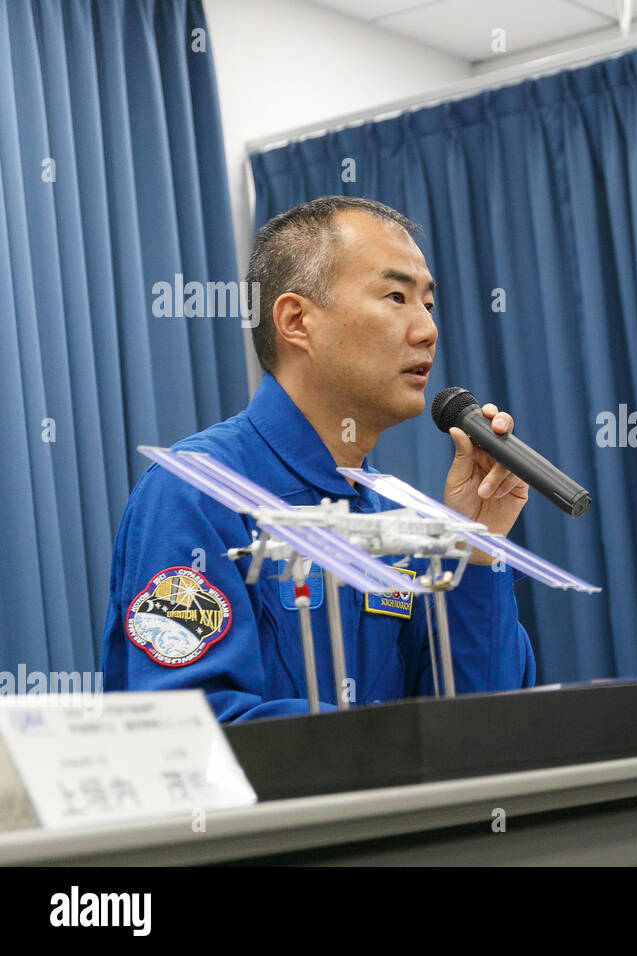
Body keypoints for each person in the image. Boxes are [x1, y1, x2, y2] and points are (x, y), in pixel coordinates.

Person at [101, 196, 534, 722]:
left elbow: (482, 725)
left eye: (428, 304)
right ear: (296, 320)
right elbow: (198, 731)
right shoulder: (195, 492)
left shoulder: (399, 519)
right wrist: (395, 754)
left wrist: (475, 547)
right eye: (396, 296)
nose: (427, 330)